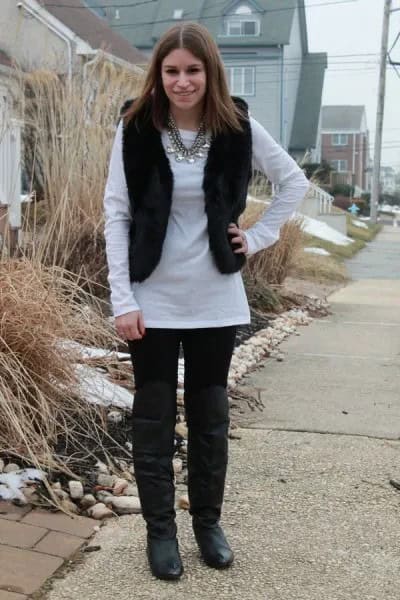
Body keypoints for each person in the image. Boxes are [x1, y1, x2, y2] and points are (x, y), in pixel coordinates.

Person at [103, 21, 309, 581]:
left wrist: (257, 237)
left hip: (217, 298)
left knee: (210, 420)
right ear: (159, 74)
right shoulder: (135, 128)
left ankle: (208, 526)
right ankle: (161, 532)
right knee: (152, 418)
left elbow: (293, 182)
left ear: (209, 72)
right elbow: (117, 215)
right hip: (151, 297)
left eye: (193, 70)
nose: (182, 81)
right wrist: (123, 299)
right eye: (172, 71)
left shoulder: (236, 126)